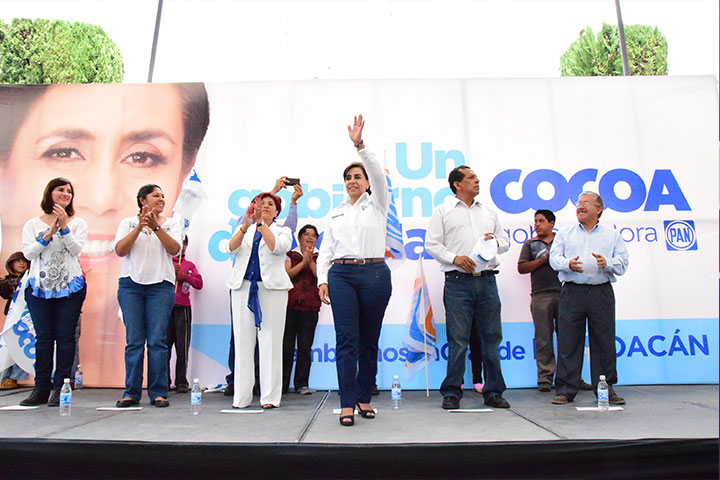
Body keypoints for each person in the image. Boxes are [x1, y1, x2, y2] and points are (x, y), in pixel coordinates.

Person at [0, 82, 209, 389]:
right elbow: (117, 249)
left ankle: (152, 390)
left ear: (185, 169)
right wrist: (50, 232)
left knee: (151, 341)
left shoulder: (165, 223)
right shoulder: (119, 223)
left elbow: (78, 249)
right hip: (73, 286)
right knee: (53, 339)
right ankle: (56, 389)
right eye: (64, 152)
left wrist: (153, 226)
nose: (100, 198)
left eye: (141, 157)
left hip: (145, 287)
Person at [317, 115, 392, 427]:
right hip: (342, 277)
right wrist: (322, 280)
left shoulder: (378, 204)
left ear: (367, 182)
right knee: (346, 340)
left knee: (369, 341)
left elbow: (377, 173)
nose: (352, 181)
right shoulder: (335, 213)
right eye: (348, 177)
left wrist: (360, 145)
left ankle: (364, 397)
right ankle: (347, 403)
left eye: (358, 176)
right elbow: (326, 251)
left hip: (375, 275)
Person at [425, 166, 511, 410]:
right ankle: (452, 392)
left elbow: (505, 242)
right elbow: (431, 244)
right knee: (458, 339)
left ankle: (493, 392)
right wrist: (454, 258)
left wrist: (495, 243)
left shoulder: (489, 212)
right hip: (458, 282)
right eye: (471, 177)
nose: (477, 180)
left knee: (491, 338)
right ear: (457, 184)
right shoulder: (443, 211)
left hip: (487, 280)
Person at [549, 191, 629, 406]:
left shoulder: (612, 235)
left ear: (598, 209)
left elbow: (623, 263)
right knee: (568, 341)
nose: (580, 206)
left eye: (586, 203)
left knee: (604, 342)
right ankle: (565, 389)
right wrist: (568, 264)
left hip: (601, 292)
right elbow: (554, 259)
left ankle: (605, 389)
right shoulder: (565, 233)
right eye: (578, 203)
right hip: (572, 291)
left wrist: (607, 263)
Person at [224, 179, 302, 398]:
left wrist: (261, 224)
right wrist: (246, 226)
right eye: (262, 203)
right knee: (243, 343)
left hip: (272, 290)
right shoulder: (244, 228)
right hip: (242, 288)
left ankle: (270, 396)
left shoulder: (283, 230)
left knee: (270, 342)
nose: (265, 206)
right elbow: (230, 248)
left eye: (271, 204)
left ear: (277, 212)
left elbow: (277, 247)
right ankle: (242, 396)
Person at [18, 178, 87, 406]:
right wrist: (48, 234)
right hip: (39, 289)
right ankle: (41, 388)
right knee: (44, 338)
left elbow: (76, 250)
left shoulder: (78, 223)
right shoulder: (32, 224)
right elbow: (28, 254)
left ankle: (61, 387)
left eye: (69, 191)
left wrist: (64, 228)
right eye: (61, 190)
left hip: (70, 288)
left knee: (66, 338)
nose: (66, 194)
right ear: (50, 193)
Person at [114, 184, 182, 408]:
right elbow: (120, 250)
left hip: (160, 286)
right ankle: (131, 392)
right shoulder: (127, 223)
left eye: (163, 195)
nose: (161, 199)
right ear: (142, 200)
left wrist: (156, 227)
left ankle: (158, 392)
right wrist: (140, 226)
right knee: (134, 341)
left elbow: (175, 249)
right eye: (156, 195)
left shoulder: (171, 223)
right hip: (131, 286)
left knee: (157, 341)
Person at [283, 224, 321, 395]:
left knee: (305, 347)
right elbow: (286, 276)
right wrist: (303, 263)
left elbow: (321, 277)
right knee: (286, 347)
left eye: (313, 235)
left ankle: (302, 384)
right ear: (299, 238)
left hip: (310, 308)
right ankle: (282, 385)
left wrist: (310, 262)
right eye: (306, 234)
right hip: (289, 307)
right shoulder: (290, 255)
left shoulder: (321, 256)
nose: (310, 237)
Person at [167, 237, 203, 394]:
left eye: (184, 244)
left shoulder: (189, 265)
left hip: (183, 309)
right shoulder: (166, 262)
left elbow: (199, 283)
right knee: (164, 346)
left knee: (182, 346)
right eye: (178, 244)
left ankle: (181, 380)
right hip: (165, 307)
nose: (181, 247)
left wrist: (185, 277)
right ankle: (164, 380)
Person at [0, 251, 30, 390]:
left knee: (22, 346)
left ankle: (15, 377)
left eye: (24, 261)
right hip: (12, 316)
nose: (21, 263)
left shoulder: (31, 278)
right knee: (8, 345)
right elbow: (5, 295)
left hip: (26, 316)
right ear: (11, 264)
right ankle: (6, 377)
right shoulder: (7, 281)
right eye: (18, 261)